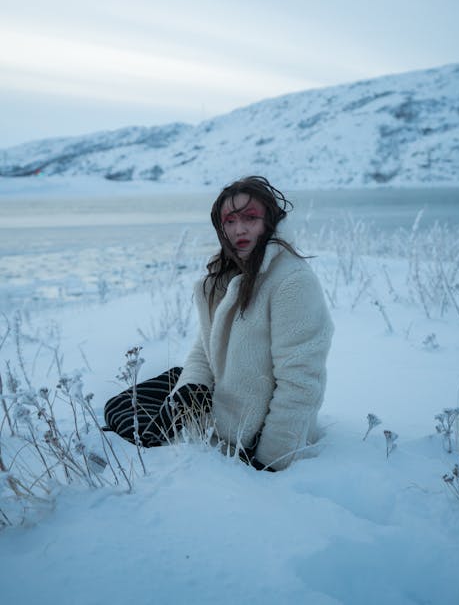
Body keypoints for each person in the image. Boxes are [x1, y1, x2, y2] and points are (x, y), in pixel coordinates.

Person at [104, 176, 334, 471]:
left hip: (249, 426)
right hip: (218, 394)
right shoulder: (223, 279)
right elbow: (203, 350)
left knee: (140, 423)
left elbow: (302, 380)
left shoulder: (292, 281)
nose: (239, 229)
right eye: (229, 221)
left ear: (270, 221)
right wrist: (191, 390)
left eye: (250, 217)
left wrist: (272, 459)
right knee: (122, 407)